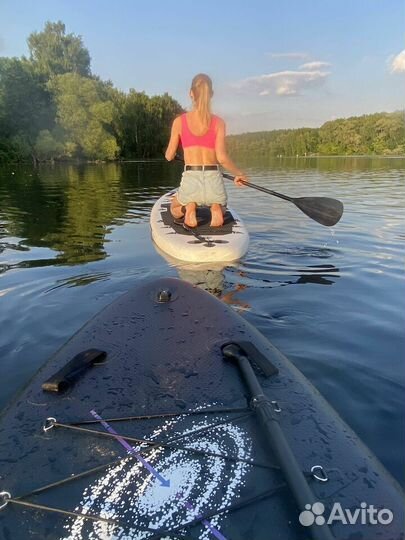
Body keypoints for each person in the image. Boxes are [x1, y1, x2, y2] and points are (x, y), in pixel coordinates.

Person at [165, 73, 248, 228]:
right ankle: (216, 209)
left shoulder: (179, 122)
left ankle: (189, 208)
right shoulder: (219, 123)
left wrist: (173, 153)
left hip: (191, 178)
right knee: (222, 206)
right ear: (211, 94)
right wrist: (239, 174)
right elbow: (222, 157)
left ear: (191, 93)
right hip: (213, 178)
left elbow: (169, 156)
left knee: (175, 209)